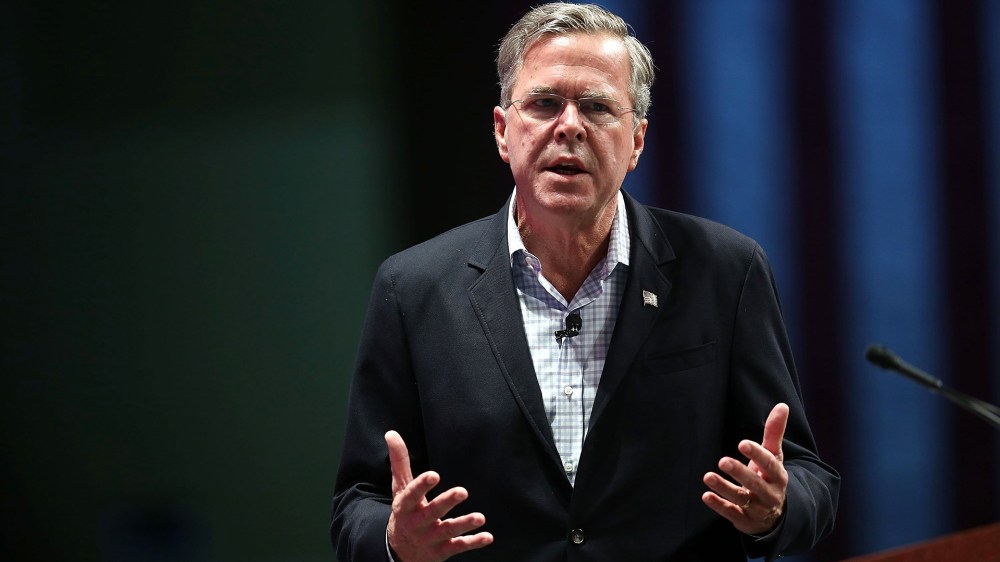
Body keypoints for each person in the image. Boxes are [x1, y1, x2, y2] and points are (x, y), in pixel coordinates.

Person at [330, 3, 839, 561]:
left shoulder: (725, 271)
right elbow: (358, 503)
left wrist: (776, 510)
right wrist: (396, 541)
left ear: (637, 141)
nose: (569, 126)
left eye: (597, 107)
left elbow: (808, 478)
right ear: (502, 132)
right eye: (544, 103)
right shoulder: (413, 288)